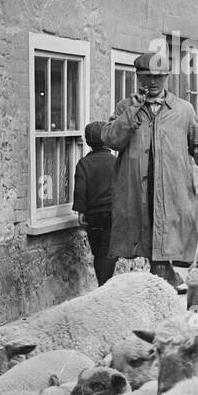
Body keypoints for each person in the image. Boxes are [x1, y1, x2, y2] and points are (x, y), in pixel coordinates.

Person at [101, 50, 198, 285]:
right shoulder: (125, 106)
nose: (152, 82)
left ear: (166, 77)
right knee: (138, 247)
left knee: (166, 246)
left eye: (158, 77)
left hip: (171, 190)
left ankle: (164, 282)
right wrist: (131, 113)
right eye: (146, 77)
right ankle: (152, 286)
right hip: (137, 192)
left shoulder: (183, 109)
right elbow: (110, 139)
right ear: (138, 78)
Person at [73, 120, 117, 286]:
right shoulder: (115, 162)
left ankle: (103, 286)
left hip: (93, 215)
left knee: (98, 252)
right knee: (108, 251)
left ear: (88, 142)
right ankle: (104, 287)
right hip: (113, 213)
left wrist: (80, 212)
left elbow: (80, 190)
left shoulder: (83, 164)